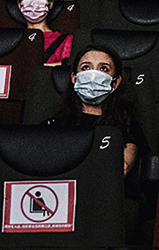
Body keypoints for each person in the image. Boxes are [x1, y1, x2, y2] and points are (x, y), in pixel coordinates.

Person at [46, 46, 144, 174]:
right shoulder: (52, 126)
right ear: (74, 78)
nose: (93, 75)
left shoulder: (127, 126)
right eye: (86, 67)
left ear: (116, 82)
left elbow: (119, 170)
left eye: (103, 68)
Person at [16, 0, 73, 66]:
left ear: (50, 4)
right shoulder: (13, 40)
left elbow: (66, 69)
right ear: (20, 5)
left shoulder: (65, 40)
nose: (33, 1)